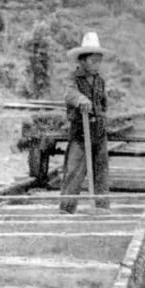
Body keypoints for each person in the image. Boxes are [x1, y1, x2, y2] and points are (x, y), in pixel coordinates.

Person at [56, 32, 111, 214]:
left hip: (98, 131)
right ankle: (67, 208)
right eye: (93, 61)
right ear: (83, 61)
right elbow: (69, 94)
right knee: (74, 170)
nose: (96, 64)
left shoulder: (100, 81)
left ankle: (101, 208)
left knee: (101, 170)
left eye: (98, 60)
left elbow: (103, 103)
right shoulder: (73, 78)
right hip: (80, 132)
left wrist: (100, 115)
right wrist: (81, 100)